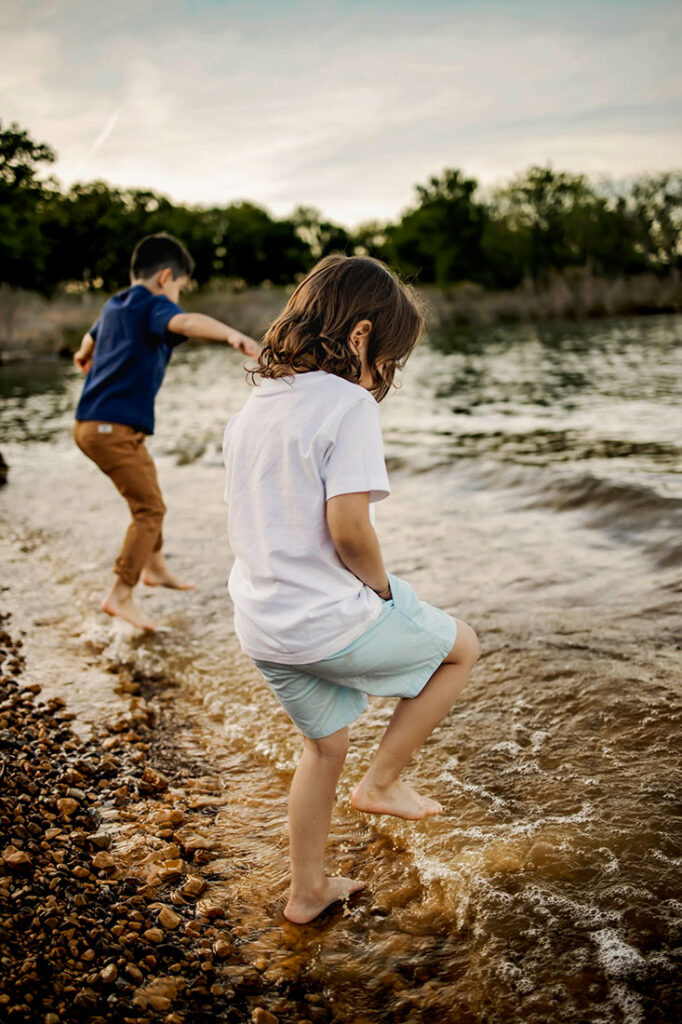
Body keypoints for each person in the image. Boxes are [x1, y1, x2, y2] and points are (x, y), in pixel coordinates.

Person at [223, 254, 479, 924]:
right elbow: (350, 529)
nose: (384, 377)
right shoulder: (348, 404)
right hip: (321, 622)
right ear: (361, 337)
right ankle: (383, 782)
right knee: (462, 650)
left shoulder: (254, 407)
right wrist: (386, 592)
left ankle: (307, 892)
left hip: (262, 624)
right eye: (388, 360)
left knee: (323, 746)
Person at [73, 232, 260, 633]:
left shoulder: (115, 305)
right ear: (165, 277)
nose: (176, 297)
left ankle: (154, 566)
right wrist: (232, 334)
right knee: (150, 510)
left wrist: (84, 354)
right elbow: (187, 322)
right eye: (179, 288)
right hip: (111, 430)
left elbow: (88, 340)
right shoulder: (153, 306)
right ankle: (121, 593)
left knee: (149, 495)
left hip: (97, 426)